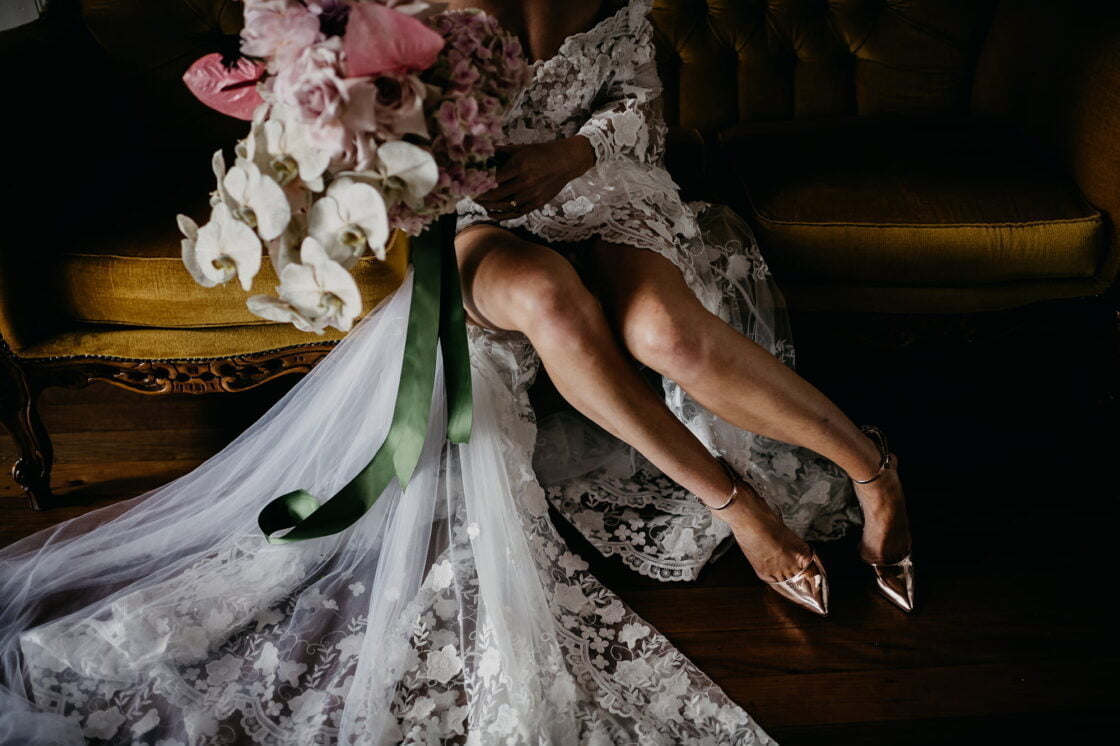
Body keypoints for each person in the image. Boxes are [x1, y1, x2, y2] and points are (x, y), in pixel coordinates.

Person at [0, 1, 912, 743]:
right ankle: (740, 510)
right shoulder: (393, 10)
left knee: (665, 334)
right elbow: (364, 141)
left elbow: (639, 102)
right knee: (551, 304)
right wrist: (407, 166)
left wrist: (569, 155)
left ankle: (874, 473)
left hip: (600, 188)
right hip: (478, 218)